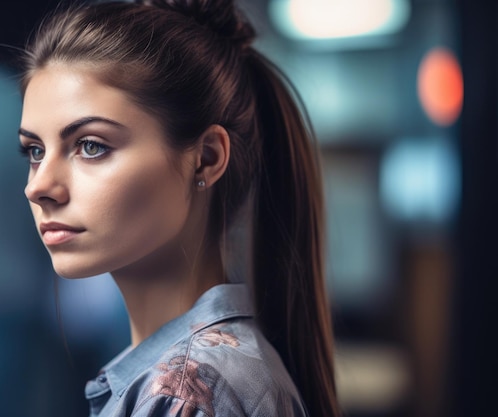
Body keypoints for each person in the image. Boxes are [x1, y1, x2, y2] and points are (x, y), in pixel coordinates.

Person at [18, 0, 339, 416]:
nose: (39, 186)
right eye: (35, 151)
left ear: (205, 158)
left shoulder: (187, 395)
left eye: (91, 146)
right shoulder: (195, 377)